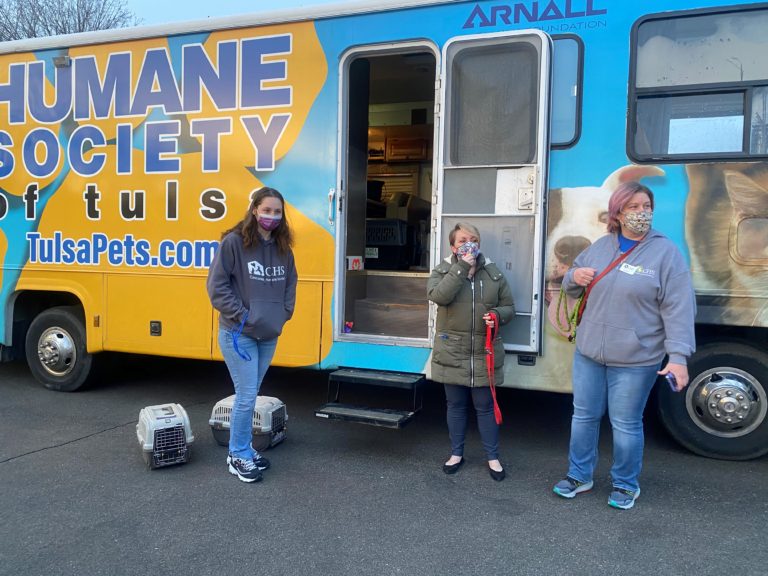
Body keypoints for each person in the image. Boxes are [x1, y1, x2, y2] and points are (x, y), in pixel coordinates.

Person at [552, 181, 695, 509]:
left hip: (636, 359)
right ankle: (579, 475)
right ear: (617, 213)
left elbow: (678, 308)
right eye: (633, 207)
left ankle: (626, 484)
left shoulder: (665, 253)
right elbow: (572, 284)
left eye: (646, 206)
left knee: (626, 424)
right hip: (589, 354)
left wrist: (678, 357)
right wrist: (574, 278)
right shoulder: (600, 247)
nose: (641, 213)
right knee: (583, 417)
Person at [207, 187, 297, 483]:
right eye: (267, 210)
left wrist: (283, 313)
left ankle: (244, 447)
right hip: (238, 334)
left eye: (277, 212)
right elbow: (216, 287)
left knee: (251, 394)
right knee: (246, 396)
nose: (272, 216)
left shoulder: (283, 249)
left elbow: (290, 284)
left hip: (268, 334)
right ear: (254, 210)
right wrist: (242, 315)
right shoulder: (234, 243)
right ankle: (237, 454)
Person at [427, 222, 515, 481]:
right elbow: (438, 296)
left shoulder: (493, 274)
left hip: (483, 351)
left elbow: (509, 307)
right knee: (455, 405)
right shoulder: (443, 271)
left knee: (485, 407)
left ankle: (493, 457)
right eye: (463, 240)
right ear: (453, 246)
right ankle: (456, 454)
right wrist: (462, 268)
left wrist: (497, 315)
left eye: (474, 240)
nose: (469, 244)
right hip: (452, 350)